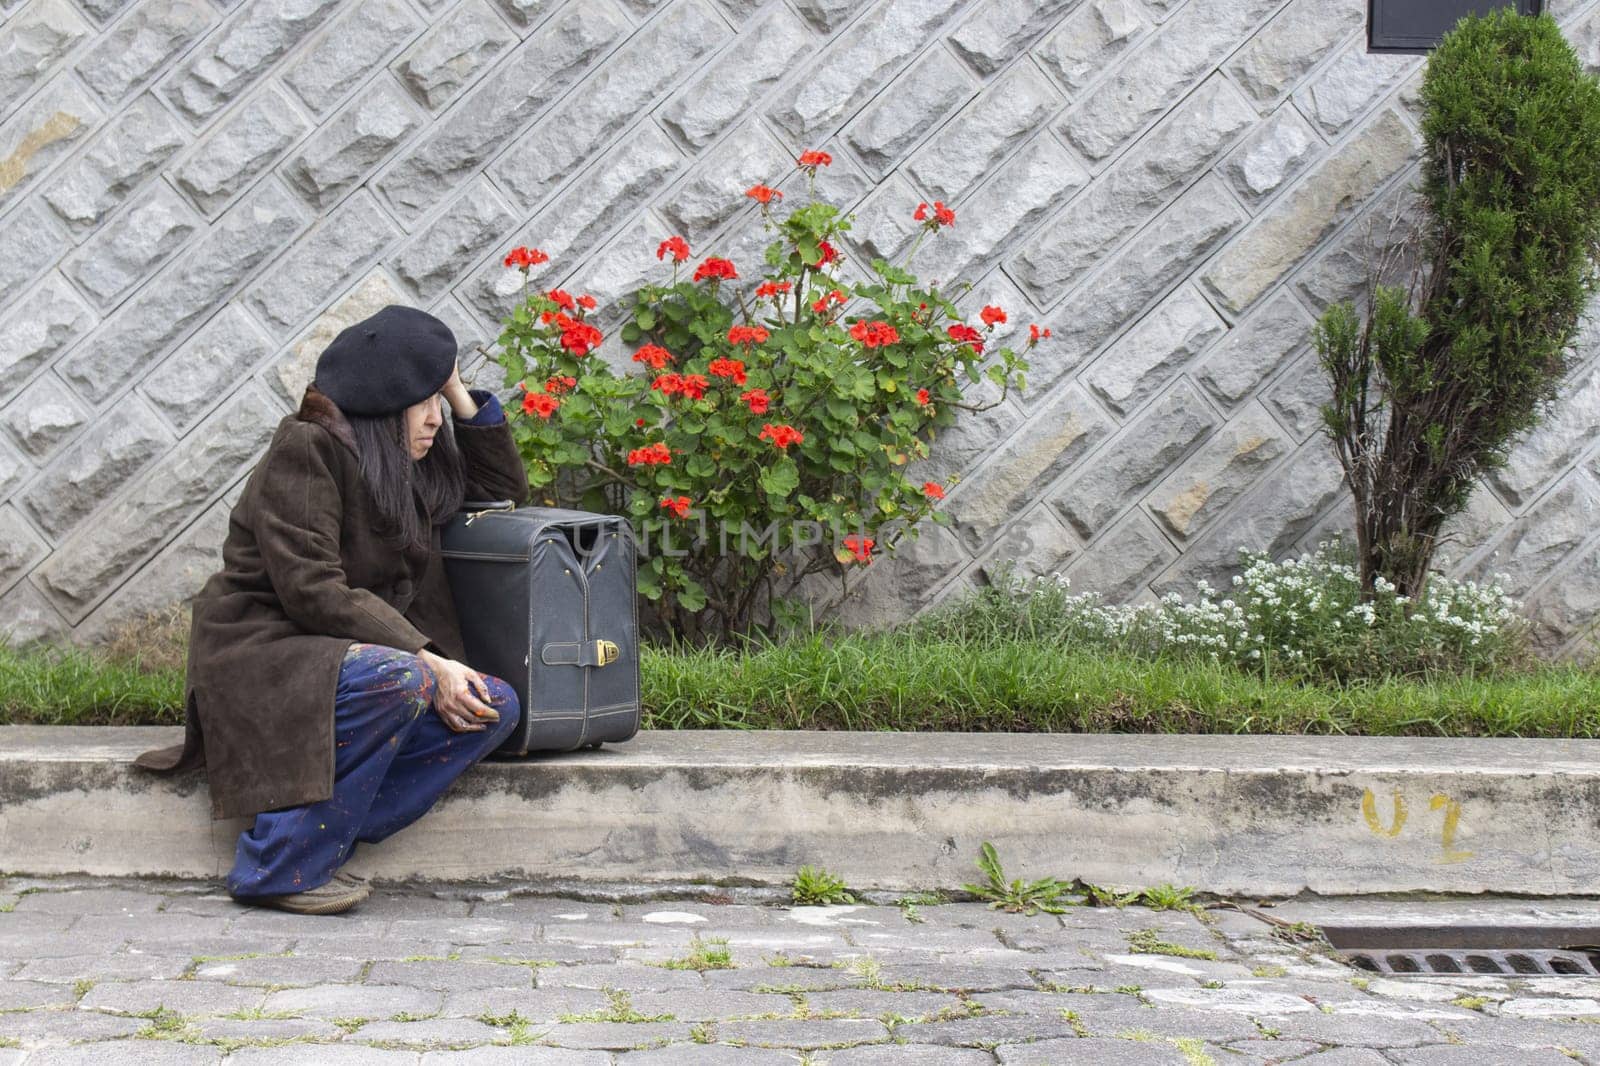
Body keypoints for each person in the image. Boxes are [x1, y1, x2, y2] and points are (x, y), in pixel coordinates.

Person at [133, 304, 531, 914]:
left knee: (493, 706)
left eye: (438, 400)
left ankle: (325, 829)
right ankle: (278, 864)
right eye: (421, 402)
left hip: (351, 655)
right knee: (402, 677)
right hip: (269, 648)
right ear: (381, 403)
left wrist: (452, 386)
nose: (435, 419)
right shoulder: (308, 448)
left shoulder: (411, 460)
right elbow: (312, 588)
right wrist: (427, 657)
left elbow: (502, 496)